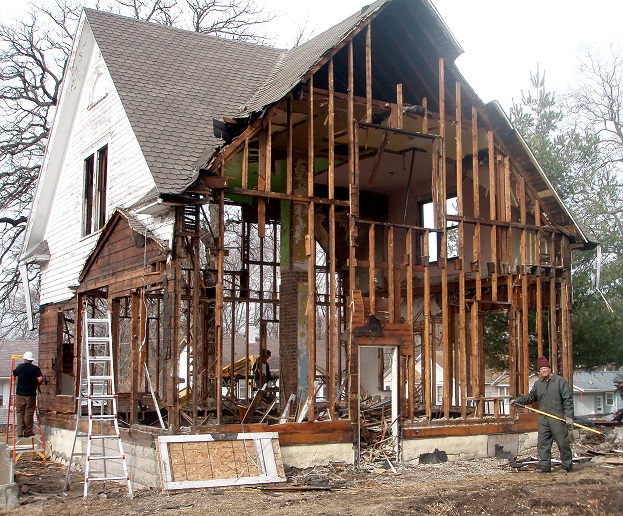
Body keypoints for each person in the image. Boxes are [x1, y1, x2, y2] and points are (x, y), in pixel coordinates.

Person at [511, 356, 574, 473]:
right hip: (543, 419)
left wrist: (569, 416)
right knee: (543, 444)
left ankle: (567, 466)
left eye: (545, 368)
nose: (543, 371)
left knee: (563, 443)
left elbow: (568, 400)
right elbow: (531, 397)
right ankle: (545, 467)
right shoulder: (538, 384)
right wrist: (518, 400)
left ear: (550, 369)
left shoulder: (560, 382)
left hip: (557, 418)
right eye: (541, 369)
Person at [12, 351, 44, 438]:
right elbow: (40, 379)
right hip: (30, 394)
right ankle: (28, 431)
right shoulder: (35, 369)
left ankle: (19, 431)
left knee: (20, 412)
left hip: (19, 394)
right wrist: (36, 383)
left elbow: (14, 373)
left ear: (25, 359)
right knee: (29, 412)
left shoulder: (19, 367)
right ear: (31, 360)